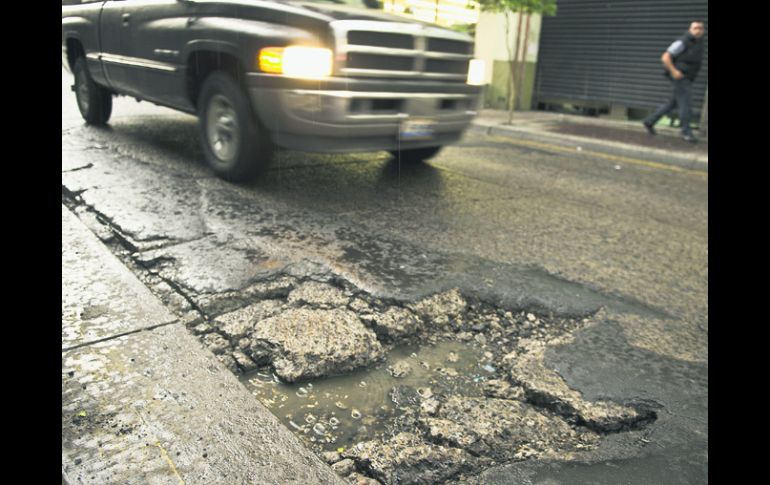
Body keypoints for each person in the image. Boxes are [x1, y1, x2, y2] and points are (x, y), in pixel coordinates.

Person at [643, 21, 706, 143]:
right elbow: (665, 57)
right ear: (690, 30)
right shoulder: (682, 42)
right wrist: (674, 71)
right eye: (695, 28)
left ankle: (649, 121)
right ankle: (687, 133)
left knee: (672, 104)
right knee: (686, 105)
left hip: (688, 77)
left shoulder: (699, 43)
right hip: (681, 78)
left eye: (700, 28)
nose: (698, 30)